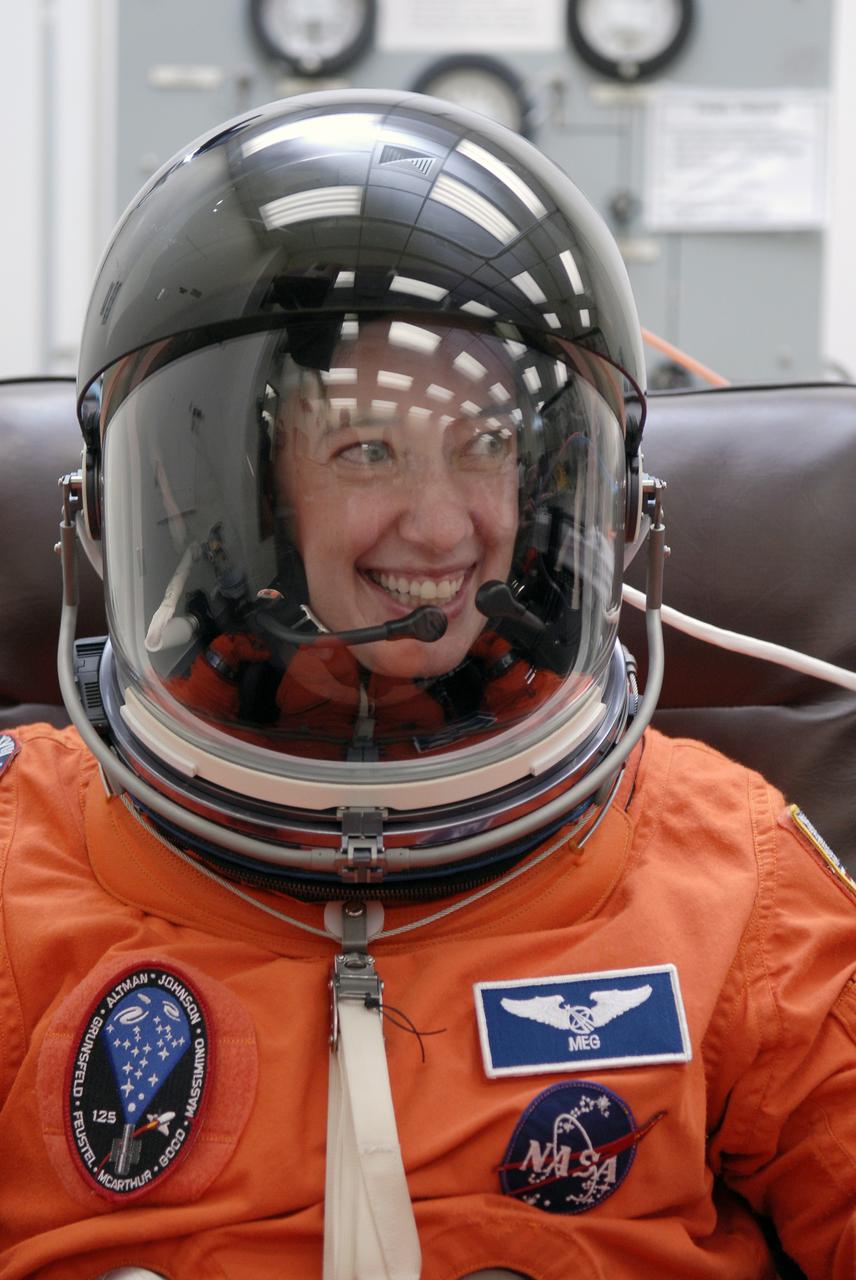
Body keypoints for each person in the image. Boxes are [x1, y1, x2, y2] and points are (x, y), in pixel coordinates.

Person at [0, 89, 854, 1280]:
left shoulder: (719, 863)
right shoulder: (22, 861)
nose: (449, 522)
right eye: (368, 449)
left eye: (485, 446)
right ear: (248, 495)